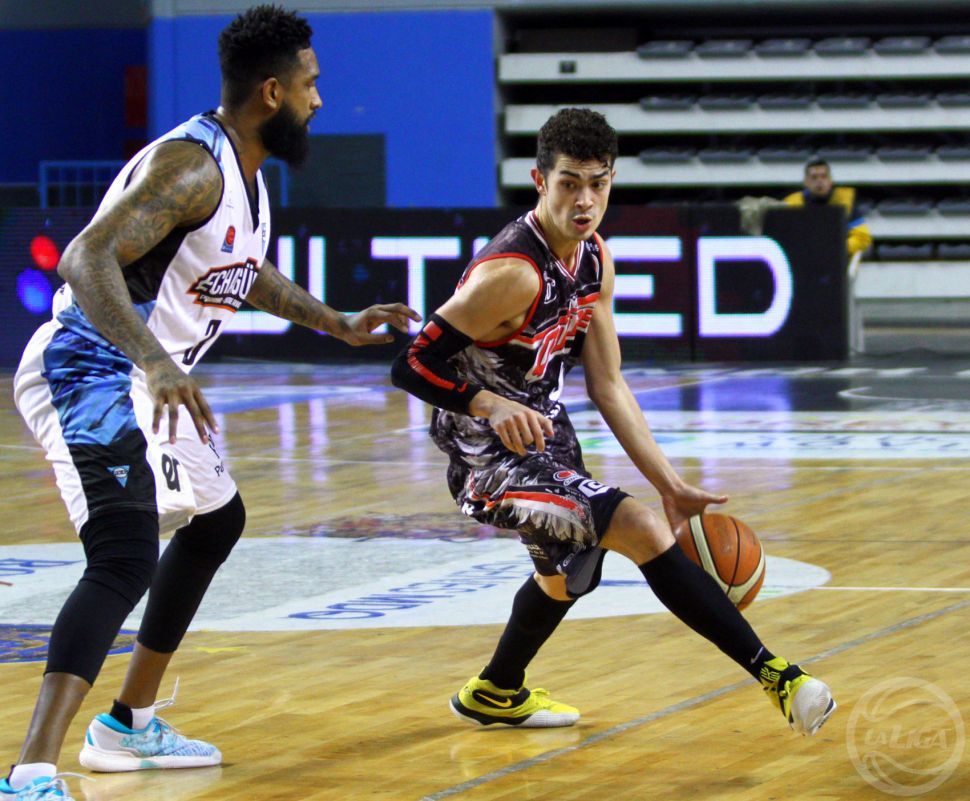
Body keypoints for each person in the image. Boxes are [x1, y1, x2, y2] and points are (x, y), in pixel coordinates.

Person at [5, 6, 419, 800]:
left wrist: (335, 321)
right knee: (124, 556)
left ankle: (129, 723)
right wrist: (156, 360)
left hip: (144, 375)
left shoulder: (245, 174)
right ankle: (28, 773)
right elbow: (84, 257)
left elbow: (242, 270)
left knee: (217, 519)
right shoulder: (192, 166)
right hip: (91, 366)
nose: (320, 100)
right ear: (272, 92)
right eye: (310, 85)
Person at [391, 108, 836, 737]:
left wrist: (670, 483)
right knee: (635, 526)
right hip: (484, 453)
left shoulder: (595, 258)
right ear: (539, 181)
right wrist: (490, 404)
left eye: (597, 183)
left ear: (612, 181)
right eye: (569, 183)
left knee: (570, 576)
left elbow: (608, 384)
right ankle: (780, 677)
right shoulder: (512, 273)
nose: (584, 200)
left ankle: (496, 689)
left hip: (545, 431)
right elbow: (410, 364)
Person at [783, 158, 873, 256]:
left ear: (830, 180)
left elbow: (862, 238)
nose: (819, 181)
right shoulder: (791, 203)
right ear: (806, 182)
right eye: (814, 177)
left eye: (824, 176)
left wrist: (834, 248)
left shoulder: (846, 201)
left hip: (837, 258)